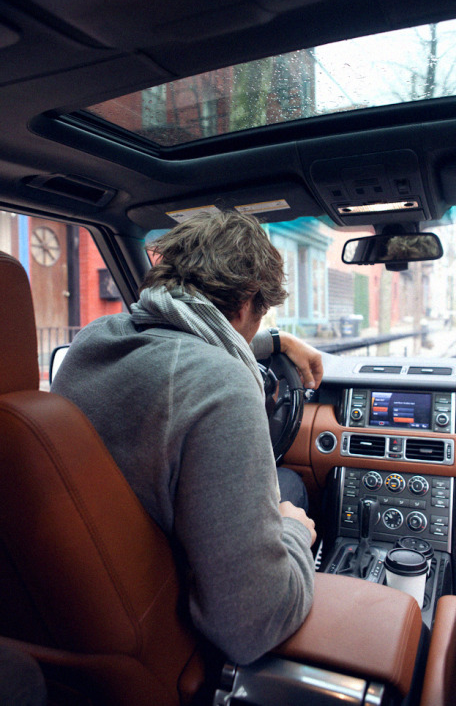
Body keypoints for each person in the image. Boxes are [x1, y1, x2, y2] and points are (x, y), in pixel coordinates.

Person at [52, 210, 323, 665]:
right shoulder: (224, 385)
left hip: (79, 595)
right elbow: (253, 623)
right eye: (261, 316)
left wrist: (275, 341)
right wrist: (295, 533)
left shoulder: (94, 338)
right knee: (293, 493)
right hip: (162, 635)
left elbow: (183, 333)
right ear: (249, 299)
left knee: (289, 488)